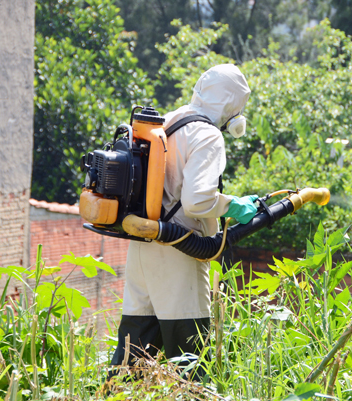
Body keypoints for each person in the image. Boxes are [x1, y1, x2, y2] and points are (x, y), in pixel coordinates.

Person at [109, 64, 258, 379]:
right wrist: (235, 206)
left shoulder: (171, 118)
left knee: (131, 360)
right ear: (233, 105)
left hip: (144, 243)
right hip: (178, 250)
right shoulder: (207, 134)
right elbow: (197, 200)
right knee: (191, 365)